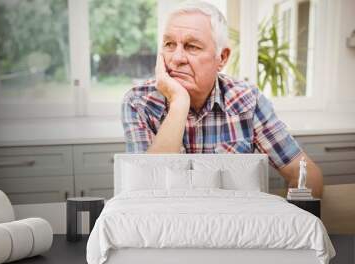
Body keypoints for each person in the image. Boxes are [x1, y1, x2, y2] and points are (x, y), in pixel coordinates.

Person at [121, 1, 323, 198]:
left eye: (192, 46)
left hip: (235, 227)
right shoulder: (139, 103)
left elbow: (307, 175)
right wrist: (179, 103)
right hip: (170, 228)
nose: (176, 58)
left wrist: (287, 226)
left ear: (222, 58)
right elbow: (146, 193)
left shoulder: (248, 101)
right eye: (169, 44)